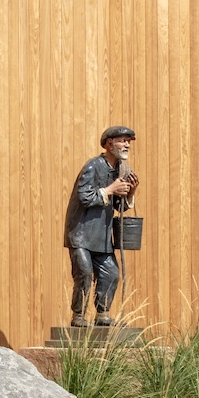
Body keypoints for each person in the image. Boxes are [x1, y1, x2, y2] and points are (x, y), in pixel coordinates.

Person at [64, 126, 138, 328]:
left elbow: (117, 206)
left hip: (102, 237)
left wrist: (129, 193)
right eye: (123, 140)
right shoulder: (93, 166)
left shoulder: (119, 170)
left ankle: (102, 314)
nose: (127, 145)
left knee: (111, 273)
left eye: (128, 142)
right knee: (85, 273)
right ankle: (78, 316)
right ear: (109, 143)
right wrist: (111, 188)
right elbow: (84, 197)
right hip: (81, 234)